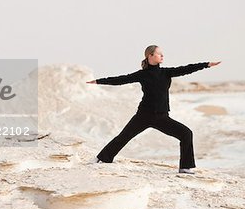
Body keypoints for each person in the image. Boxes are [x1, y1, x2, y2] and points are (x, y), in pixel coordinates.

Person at [86, 45, 221, 174]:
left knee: (186, 134)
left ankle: (185, 168)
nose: (162, 56)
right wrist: (98, 81)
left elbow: (186, 69)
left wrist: (206, 64)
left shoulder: (166, 73)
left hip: (162, 117)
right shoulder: (142, 74)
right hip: (143, 115)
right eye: (159, 53)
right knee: (124, 137)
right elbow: (121, 79)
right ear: (150, 56)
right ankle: (102, 159)